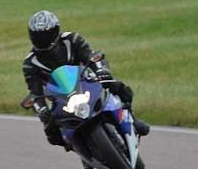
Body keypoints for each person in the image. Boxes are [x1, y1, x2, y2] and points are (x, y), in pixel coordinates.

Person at [22, 10, 149, 151]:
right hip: (59, 98)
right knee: (51, 133)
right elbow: (35, 92)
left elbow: (91, 56)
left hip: (86, 80)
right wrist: (42, 109)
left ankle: (132, 119)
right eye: (38, 36)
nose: (43, 39)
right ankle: (77, 147)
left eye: (46, 35)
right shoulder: (30, 63)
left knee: (117, 86)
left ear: (56, 31)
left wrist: (101, 70)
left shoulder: (72, 39)